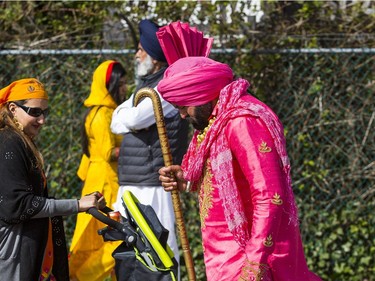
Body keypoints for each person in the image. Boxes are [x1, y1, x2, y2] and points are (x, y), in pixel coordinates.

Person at [158, 57, 323, 281]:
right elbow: (223, 185)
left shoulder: (242, 121)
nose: (183, 115)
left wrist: (254, 265)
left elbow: (271, 197)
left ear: (203, 93)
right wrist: (185, 182)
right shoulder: (216, 120)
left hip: (248, 260)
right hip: (223, 259)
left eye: (184, 106)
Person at [0, 78, 104, 281]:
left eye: (44, 112)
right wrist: (77, 205)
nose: (42, 120)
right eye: (35, 112)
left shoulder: (20, 140)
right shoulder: (8, 143)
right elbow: (17, 206)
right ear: (13, 109)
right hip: (12, 257)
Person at [110, 19, 189, 273]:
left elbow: (129, 119)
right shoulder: (146, 88)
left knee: (161, 252)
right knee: (132, 254)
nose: (136, 55)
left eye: (141, 50)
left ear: (155, 58)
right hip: (134, 185)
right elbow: (116, 123)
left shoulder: (165, 91)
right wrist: (128, 113)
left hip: (155, 187)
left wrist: (127, 114)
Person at [68, 60, 127, 281]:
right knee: (117, 238)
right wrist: (139, 146)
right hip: (106, 185)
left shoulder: (103, 112)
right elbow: (108, 152)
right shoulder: (103, 114)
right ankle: (81, 277)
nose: (124, 88)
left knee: (97, 240)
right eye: (121, 83)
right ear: (109, 85)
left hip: (99, 181)